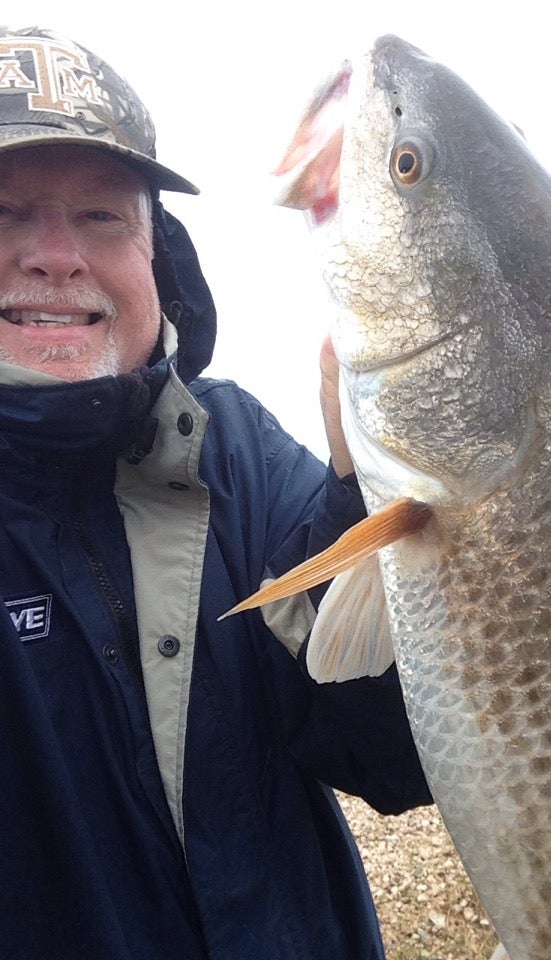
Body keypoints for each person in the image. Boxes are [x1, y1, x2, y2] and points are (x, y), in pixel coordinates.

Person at [0, 26, 431, 960]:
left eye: (103, 218)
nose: (54, 256)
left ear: (163, 257)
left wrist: (381, 499)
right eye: (4, 213)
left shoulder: (237, 453)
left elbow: (391, 754)